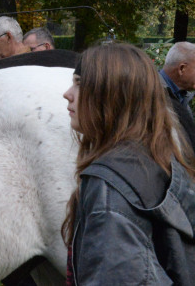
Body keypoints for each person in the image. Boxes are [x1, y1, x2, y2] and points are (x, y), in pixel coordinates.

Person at [62, 43, 195, 284]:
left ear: (110, 95)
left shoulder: (110, 187)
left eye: (79, 83)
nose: (67, 93)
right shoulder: (158, 158)